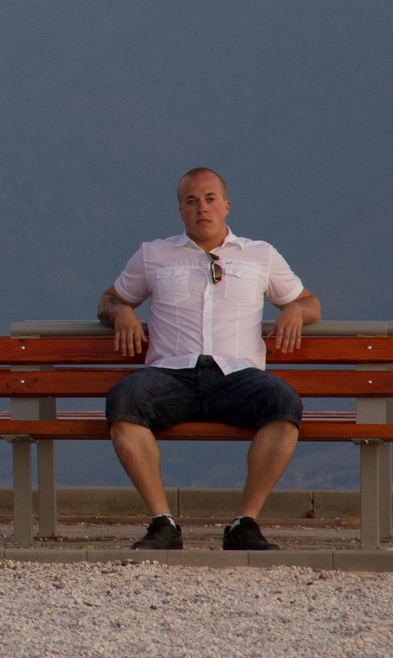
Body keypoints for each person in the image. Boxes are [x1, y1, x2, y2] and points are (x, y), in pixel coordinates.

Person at [97, 167, 321, 551]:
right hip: (170, 375)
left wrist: (296, 311)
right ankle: (162, 523)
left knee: (284, 403)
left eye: (210, 199)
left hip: (238, 376)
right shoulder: (153, 254)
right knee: (124, 400)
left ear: (226, 206)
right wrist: (120, 312)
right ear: (180, 211)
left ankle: (244, 524)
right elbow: (109, 299)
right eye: (191, 201)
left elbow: (308, 302)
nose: (202, 208)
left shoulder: (260, 255)